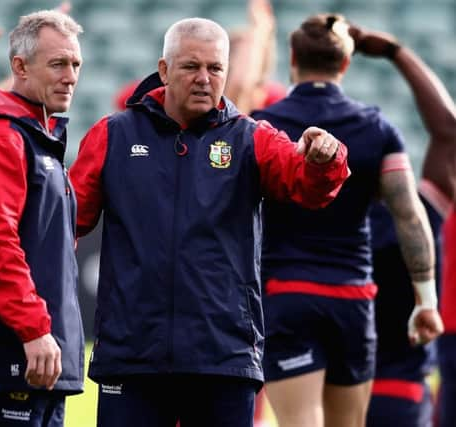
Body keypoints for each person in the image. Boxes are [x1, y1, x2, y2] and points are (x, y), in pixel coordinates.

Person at [69, 17, 350, 427]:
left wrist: (325, 159)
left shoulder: (251, 137)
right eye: (191, 67)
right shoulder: (114, 135)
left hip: (222, 359)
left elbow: (308, 187)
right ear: (164, 71)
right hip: (132, 356)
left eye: (215, 68)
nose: (204, 79)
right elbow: (65, 221)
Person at [251, 14, 443, 427]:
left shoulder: (262, 126)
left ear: (292, 59)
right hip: (352, 298)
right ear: (345, 65)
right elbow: (409, 215)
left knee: (301, 421)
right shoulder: (378, 128)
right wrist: (426, 301)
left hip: (288, 292)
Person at [0, 9, 84, 427]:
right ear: (19, 67)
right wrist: (33, 329)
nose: (71, 76)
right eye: (58, 63)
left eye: (76, 64)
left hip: (39, 361)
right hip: (14, 357)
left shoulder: (36, 141)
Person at [343, 25, 456, 427]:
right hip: (402, 395)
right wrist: (396, 52)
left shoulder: (323, 222)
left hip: (333, 397)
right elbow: (448, 132)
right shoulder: (426, 209)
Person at [224, 0, 285, 114]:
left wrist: (264, 32)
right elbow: (240, 84)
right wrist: (261, 29)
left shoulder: (272, 95)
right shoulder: (217, 104)